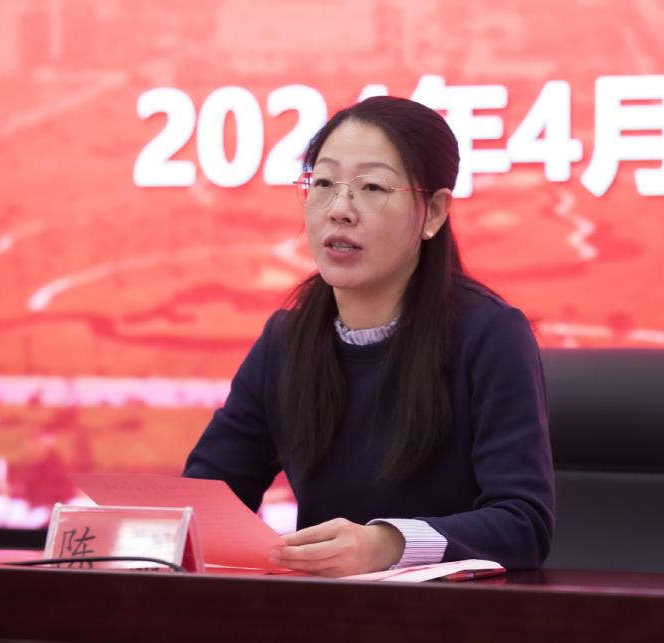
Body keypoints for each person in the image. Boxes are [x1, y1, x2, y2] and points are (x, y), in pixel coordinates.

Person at [184, 96, 554, 577]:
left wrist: (387, 544)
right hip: (318, 611)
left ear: (434, 212)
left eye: (373, 187)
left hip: (452, 611)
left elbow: (524, 524)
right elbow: (206, 502)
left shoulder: (489, 335)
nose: (339, 210)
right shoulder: (286, 341)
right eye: (323, 183)